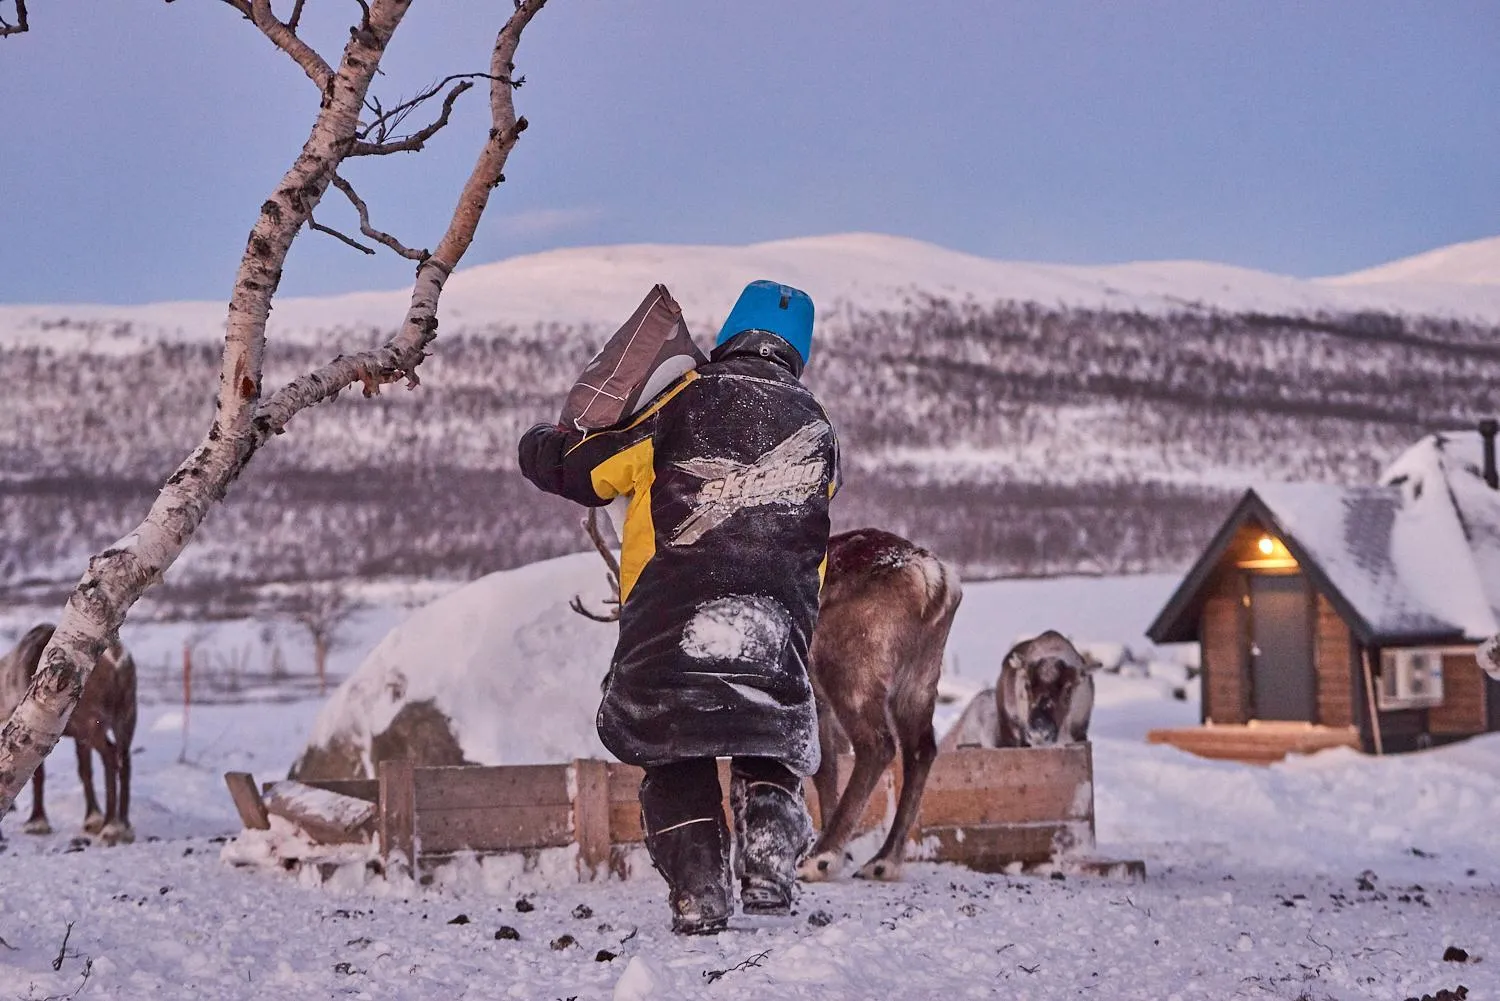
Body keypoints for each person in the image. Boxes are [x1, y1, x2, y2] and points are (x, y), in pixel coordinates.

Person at [517, 280, 839, 934]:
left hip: (672, 616)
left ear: (729, 334)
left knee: (674, 743)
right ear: (797, 351)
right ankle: (770, 851)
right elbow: (813, 536)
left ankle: (700, 891)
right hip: (778, 621)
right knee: (765, 729)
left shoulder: (682, 398)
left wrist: (539, 448)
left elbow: (591, 470)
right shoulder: (817, 426)